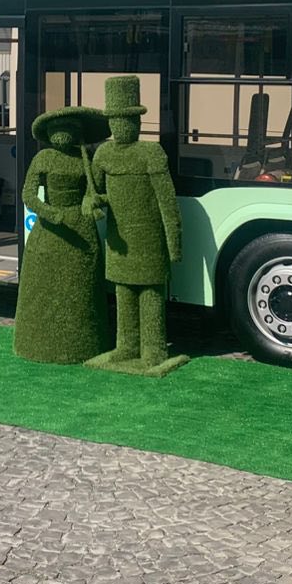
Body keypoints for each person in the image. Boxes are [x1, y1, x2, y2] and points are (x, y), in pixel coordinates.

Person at [85, 76, 189, 377]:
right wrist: (92, 202)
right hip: (118, 241)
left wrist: (174, 244)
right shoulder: (103, 154)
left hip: (149, 242)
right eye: (116, 120)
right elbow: (94, 194)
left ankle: (153, 350)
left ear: (138, 122)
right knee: (124, 294)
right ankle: (127, 346)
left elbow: (167, 202)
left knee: (150, 295)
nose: (122, 127)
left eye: (128, 120)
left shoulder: (151, 154)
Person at [12, 106, 111, 364]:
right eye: (58, 130)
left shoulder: (85, 158)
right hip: (49, 230)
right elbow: (28, 195)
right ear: (49, 133)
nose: (63, 135)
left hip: (81, 228)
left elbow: (93, 190)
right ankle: (36, 342)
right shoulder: (43, 158)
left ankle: (85, 342)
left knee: (82, 287)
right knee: (43, 288)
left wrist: (91, 201)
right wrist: (50, 213)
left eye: (69, 129)